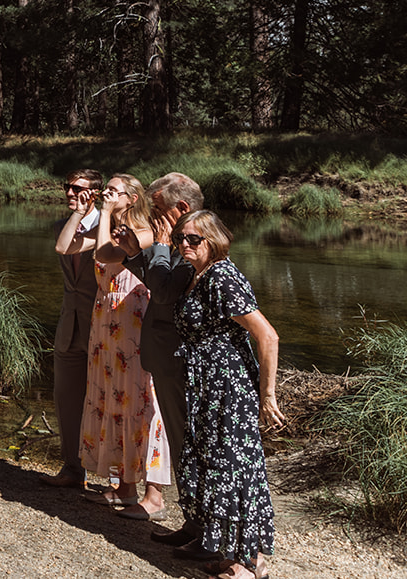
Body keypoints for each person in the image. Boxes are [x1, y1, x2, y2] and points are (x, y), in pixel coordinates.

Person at [171, 210, 283, 579]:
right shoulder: (196, 275)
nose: (184, 244)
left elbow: (267, 336)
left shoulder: (222, 277)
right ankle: (233, 551)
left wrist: (267, 395)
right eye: (179, 237)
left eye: (193, 239)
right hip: (206, 387)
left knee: (235, 470)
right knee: (212, 466)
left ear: (214, 240)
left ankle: (251, 562)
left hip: (229, 389)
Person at [67, 174, 170, 519]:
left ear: (132, 198)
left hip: (135, 323)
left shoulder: (146, 232)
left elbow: (105, 253)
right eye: (106, 189)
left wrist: (106, 212)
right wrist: (83, 213)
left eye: (114, 190)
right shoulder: (111, 230)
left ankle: (154, 495)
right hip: (107, 324)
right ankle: (124, 487)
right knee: (114, 399)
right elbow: (63, 247)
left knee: (143, 401)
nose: (106, 193)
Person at [115, 172, 203, 545]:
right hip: (166, 356)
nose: (153, 218)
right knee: (183, 444)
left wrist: (164, 244)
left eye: (158, 210)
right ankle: (194, 524)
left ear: (181, 209)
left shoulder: (197, 242)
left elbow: (165, 294)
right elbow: (155, 279)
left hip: (182, 359)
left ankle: (202, 527)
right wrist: (137, 252)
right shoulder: (178, 240)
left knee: (191, 442)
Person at [43, 169, 102, 488]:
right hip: (69, 324)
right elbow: (64, 249)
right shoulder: (60, 227)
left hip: (104, 325)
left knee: (108, 399)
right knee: (66, 396)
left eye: (77, 188)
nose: (69, 192)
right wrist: (77, 214)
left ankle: (117, 478)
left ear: (95, 192)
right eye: (66, 186)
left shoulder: (113, 227)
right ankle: (72, 468)